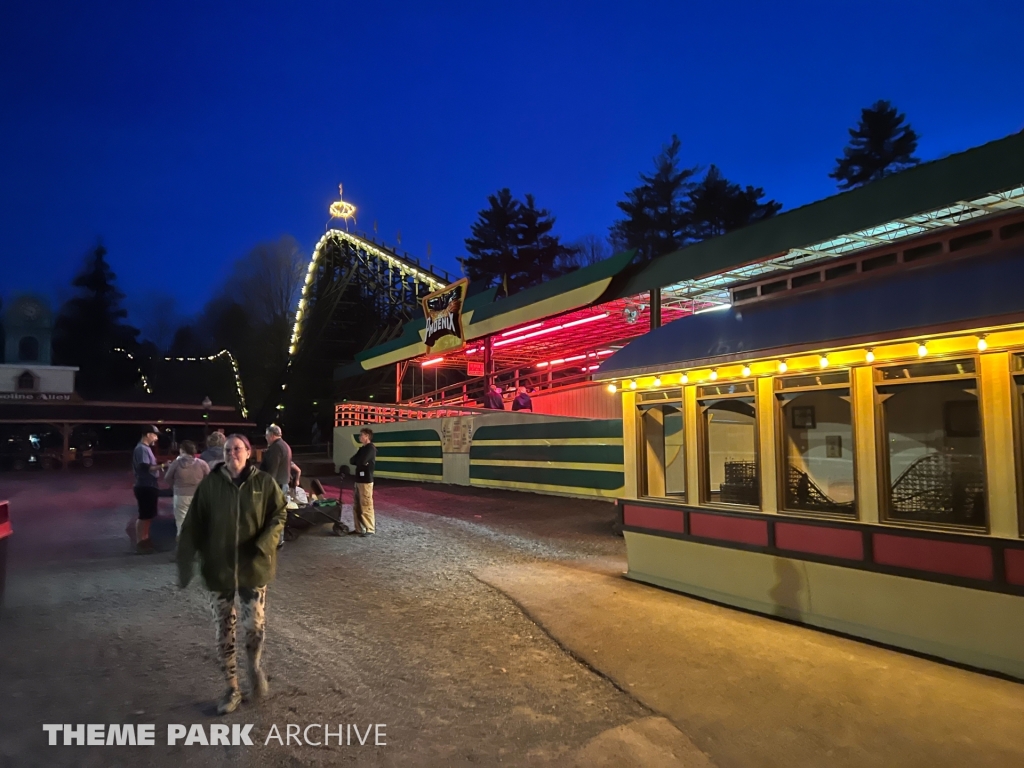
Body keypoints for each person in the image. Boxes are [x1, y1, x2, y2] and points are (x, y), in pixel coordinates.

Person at [176, 434, 287, 715]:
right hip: (219, 568)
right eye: (227, 450)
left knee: (255, 625)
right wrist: (185, 563)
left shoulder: (264, 483)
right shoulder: (210, 485)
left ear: (249, 453)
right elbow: (193, 525)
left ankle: (254, 666)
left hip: (254, 566)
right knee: (223, 628)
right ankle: (232, 687)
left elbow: (280, 514)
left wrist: (265, 544)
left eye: (237, 449)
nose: (232, 453)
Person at [163, 440, 210, 538]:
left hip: (180, 495)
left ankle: (182, 543)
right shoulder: (202, 463)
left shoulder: (176, 463)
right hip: (197, 495)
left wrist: (174, 486)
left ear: (182, 450)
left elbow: (167, 478)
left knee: (181, 521)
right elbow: (209, 478)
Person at [131, 426, 162, 554]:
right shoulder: (142, 449)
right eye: (155, 435)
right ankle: (140, 542)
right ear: (148, 434)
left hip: (148, 485)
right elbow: (145, 467)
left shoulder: (145, 448)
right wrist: (163, 466)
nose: (156, 438)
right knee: (144, 515)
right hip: (145, 485)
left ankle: (145, 540)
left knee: (148, 515)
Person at [349, 427, 376, 536]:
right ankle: (358, 528)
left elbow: (360, 460)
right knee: (357, 505)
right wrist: (360, 462)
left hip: (366, 481)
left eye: (362, 435)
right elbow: (353, 460)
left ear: (367, 436)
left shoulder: (371, 448)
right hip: (358, 479)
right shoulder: (362, 448)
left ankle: (370, 528)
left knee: (366, 504)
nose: (360, 437)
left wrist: (360, 461)